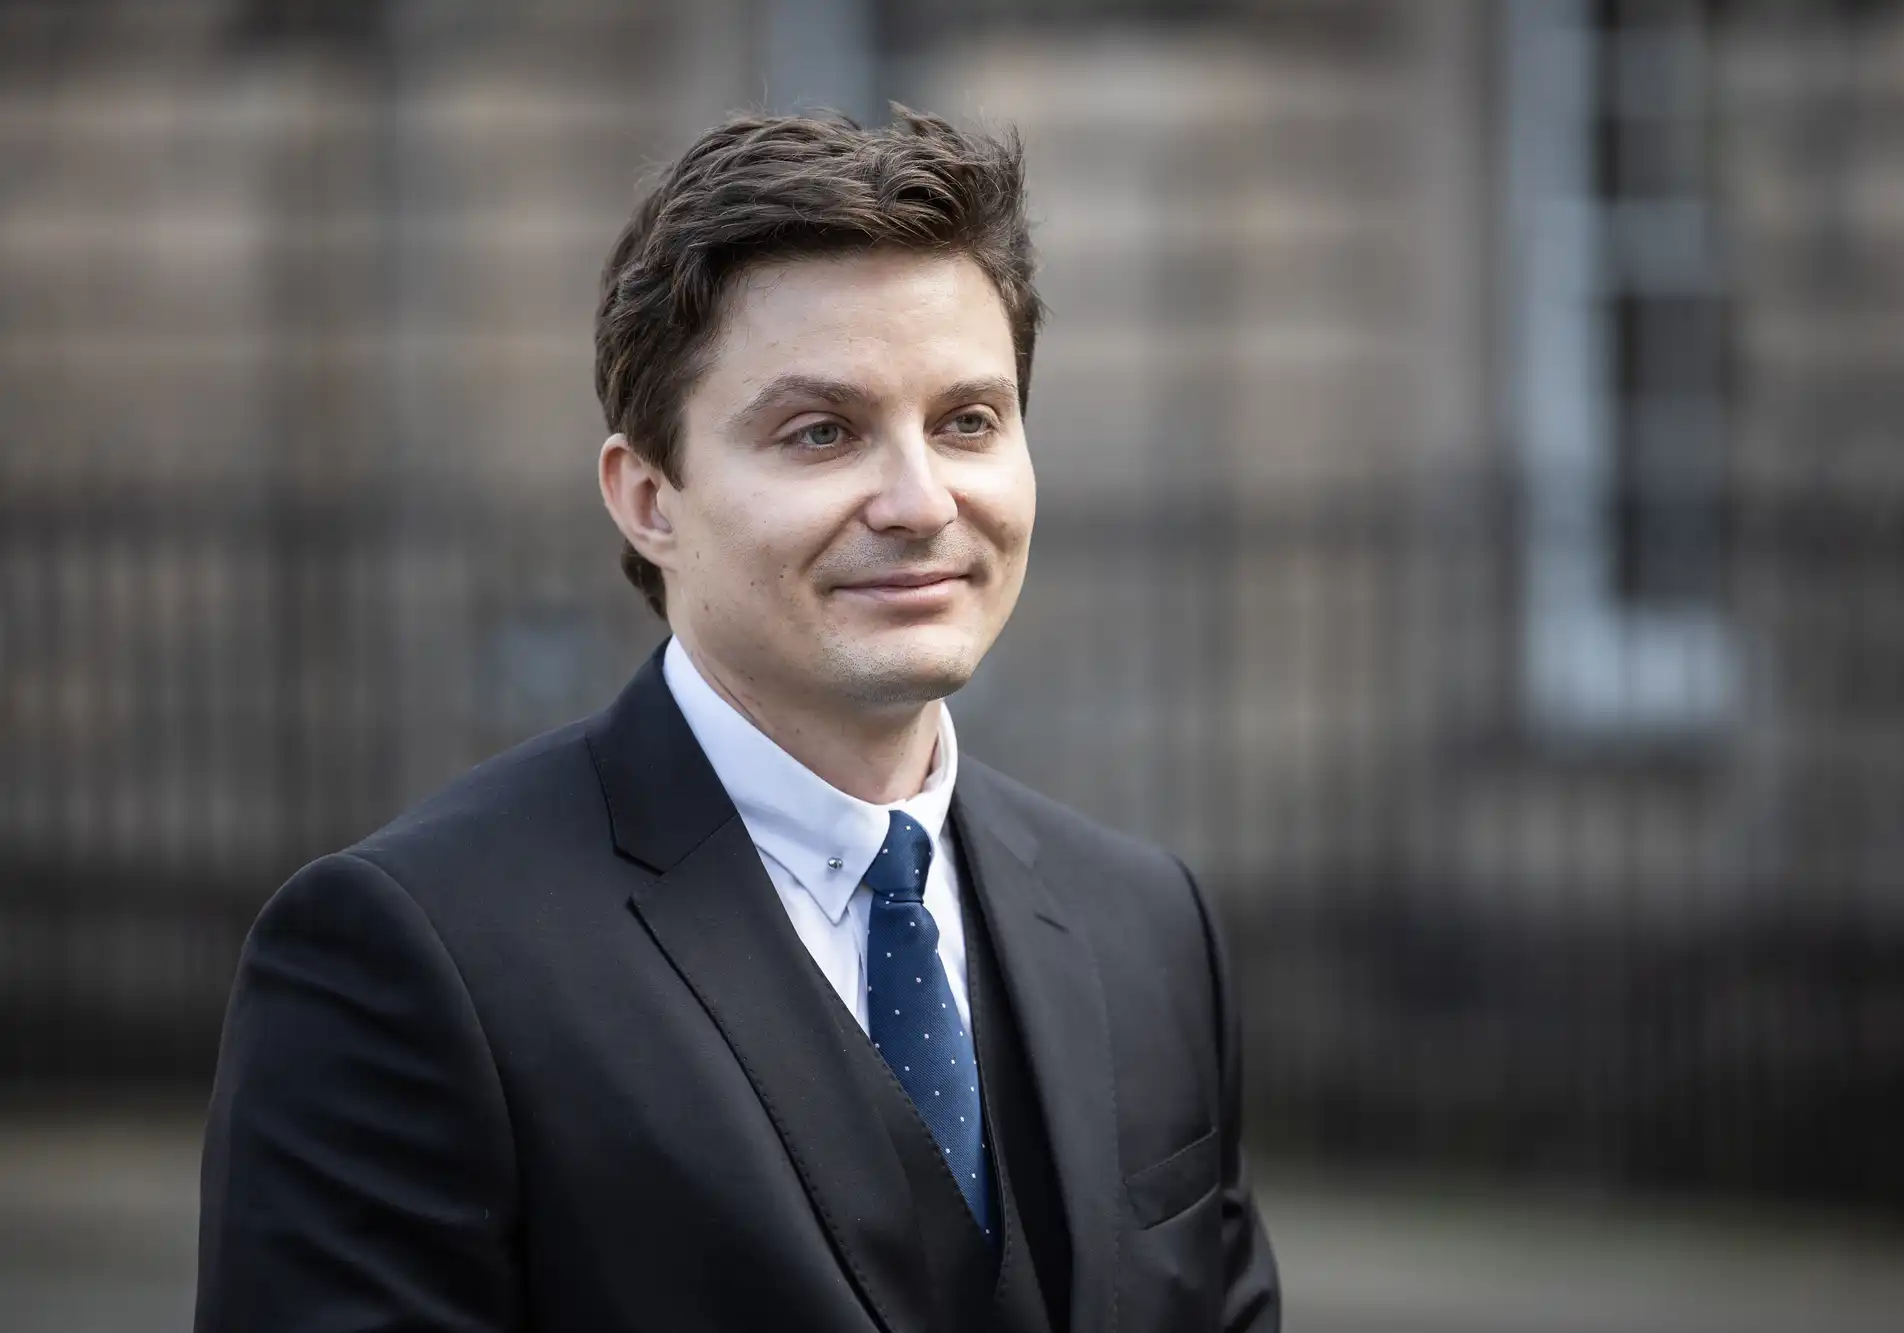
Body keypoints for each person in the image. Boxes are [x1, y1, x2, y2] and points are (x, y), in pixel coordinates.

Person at [195, 106, 1279, 1333]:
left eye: (967, 422)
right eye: (822, 432)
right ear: (648, 497)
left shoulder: (1147, 926)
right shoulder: (408, 958)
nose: (921, 501)